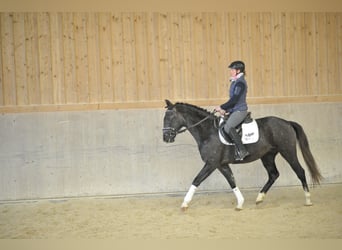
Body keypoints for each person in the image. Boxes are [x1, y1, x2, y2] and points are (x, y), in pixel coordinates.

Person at [215, 60, 250, 160]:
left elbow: (234, 100)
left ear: (238, 71)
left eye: (232, 69)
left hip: (240, 111)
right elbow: (232, 101)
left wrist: (222, 107)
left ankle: (242, 150)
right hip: (234, 110)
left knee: (228, 127)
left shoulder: (240, 83)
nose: (230, 71)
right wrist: (226, 110)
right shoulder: (235, 82)